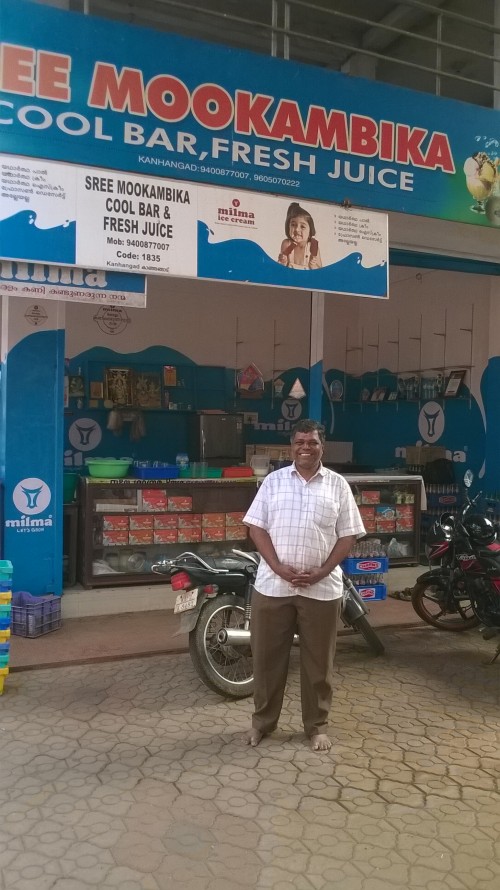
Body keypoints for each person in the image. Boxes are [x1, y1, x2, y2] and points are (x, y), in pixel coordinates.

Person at [243, 419, 365, 752]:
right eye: (299, 442)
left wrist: (324, 570)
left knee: (318, 663)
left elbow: (349, 534)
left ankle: (316, 725)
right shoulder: (273, 482)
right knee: (267, 661)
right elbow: (257, 529)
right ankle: (262, 723)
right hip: (273, 587)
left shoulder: (338, 485)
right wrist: (278, 567)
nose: (305, 448)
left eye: (312, 442)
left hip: (322, 590)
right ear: (291, 447)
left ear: (321, 446)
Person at [278, 202, 322, 270]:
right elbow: (280, 269)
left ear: (310, 230)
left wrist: (313, 265)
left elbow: (320, 272)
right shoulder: (287, 244)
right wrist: (283, 262)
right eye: (293, 225)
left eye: (302, 226)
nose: (297, 229)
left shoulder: (312, 245)